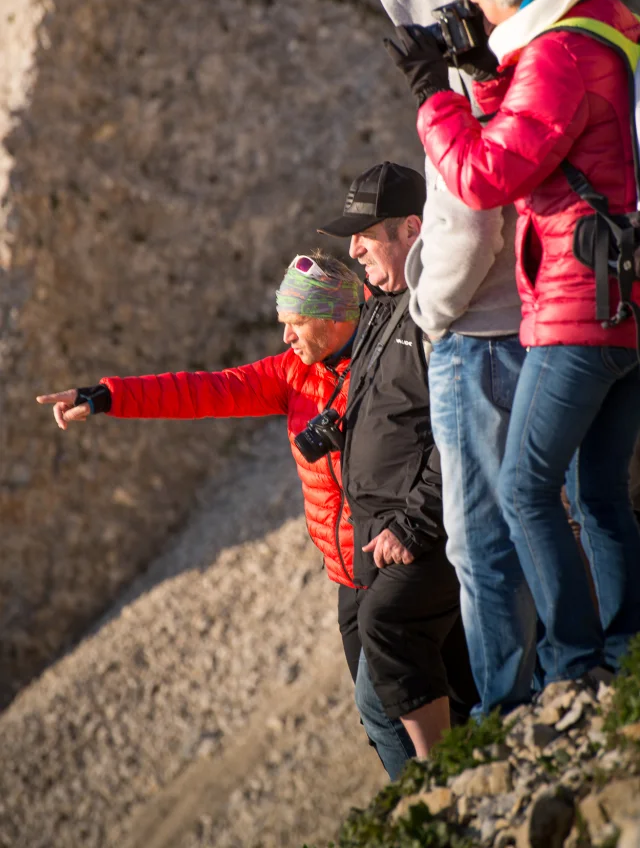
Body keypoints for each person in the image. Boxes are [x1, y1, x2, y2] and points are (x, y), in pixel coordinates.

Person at [385, 0, 640, 692]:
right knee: (596, 495)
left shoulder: (560, 54)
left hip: (573, 305)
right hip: (616, 302)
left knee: (526, 492)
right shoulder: (599, 30)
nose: (473, 12)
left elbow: (486, 175)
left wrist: (434, 95)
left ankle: (571, 665)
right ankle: (625, 653)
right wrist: (488, 84)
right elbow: (541, 146)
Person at [36, 251, 415, 778]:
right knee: (377, 717)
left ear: (332, 319)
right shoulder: (292, 373)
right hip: (345, 575)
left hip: (390, 560)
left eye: (295, 324)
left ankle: (434, 803)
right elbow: (205, 390)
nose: (285, 338)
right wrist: (107, 396)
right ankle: (427, 798)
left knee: (392, 704)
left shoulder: (386, 362)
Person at [378, 0, 536, 714]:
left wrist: (427, 309)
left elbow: (466, 223)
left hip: (479, 337)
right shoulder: (516, 64)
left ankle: (513, 704)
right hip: (531, 324)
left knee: (483, 540)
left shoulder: (465, 89)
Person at [319, 161, 477, 761]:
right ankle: (452, 785)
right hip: (371, 538)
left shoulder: (436, 307)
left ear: (412, 229)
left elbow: (456, 427)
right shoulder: (383, 302)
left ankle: (437, 791)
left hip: (413, 532)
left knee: (388, 667)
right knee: (423, 685)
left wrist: (414, 521)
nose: (354, 247)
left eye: (366, 233)